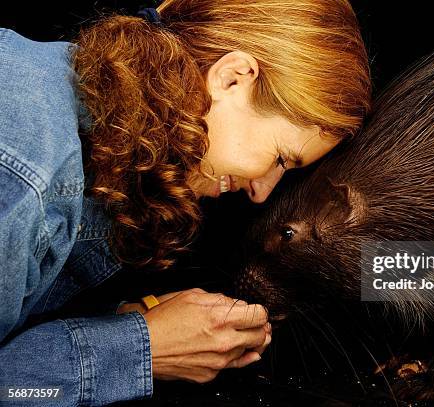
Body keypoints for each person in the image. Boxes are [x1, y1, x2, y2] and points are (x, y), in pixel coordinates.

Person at [0, 0, 371, 405]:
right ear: (233, 78)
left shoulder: (102, 138)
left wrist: (139, 321)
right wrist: (139, 349)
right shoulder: (24, 176)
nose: (262, 192)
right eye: (281, 158)